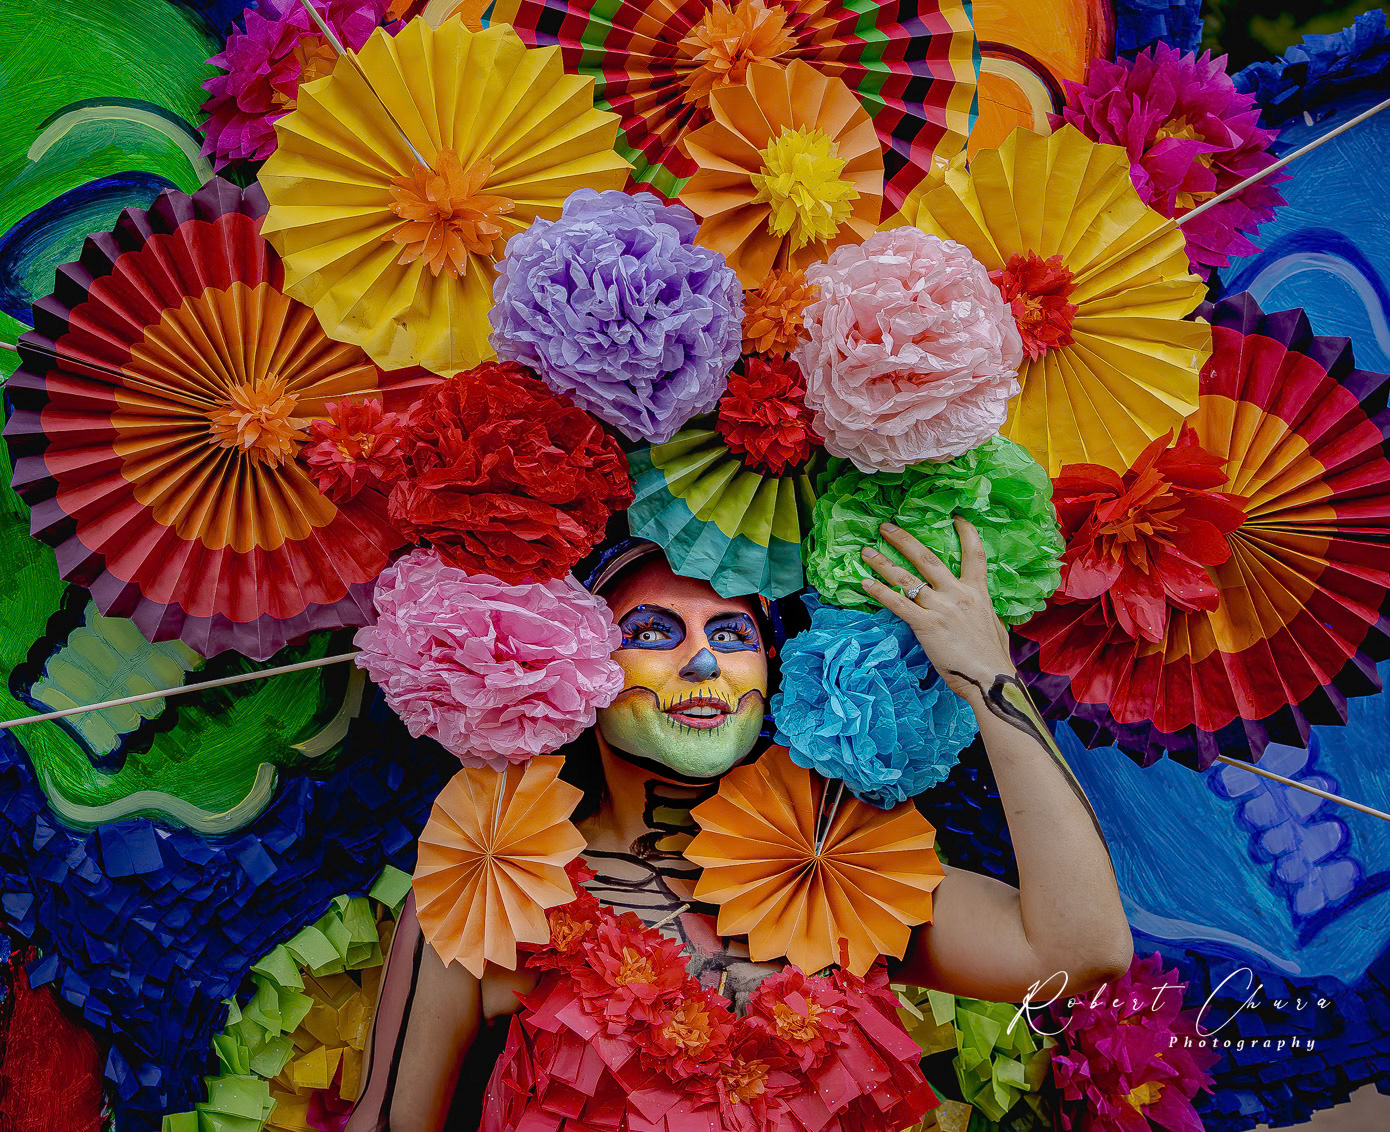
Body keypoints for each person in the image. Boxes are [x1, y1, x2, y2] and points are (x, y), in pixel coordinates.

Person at [347, 521, 1132, 1130]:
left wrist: (987, 678)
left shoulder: (852, 876)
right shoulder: (497, 891)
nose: (702, 665)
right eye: (654, 633)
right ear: (577, 668)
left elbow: (1081, 951)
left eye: (732, 636)